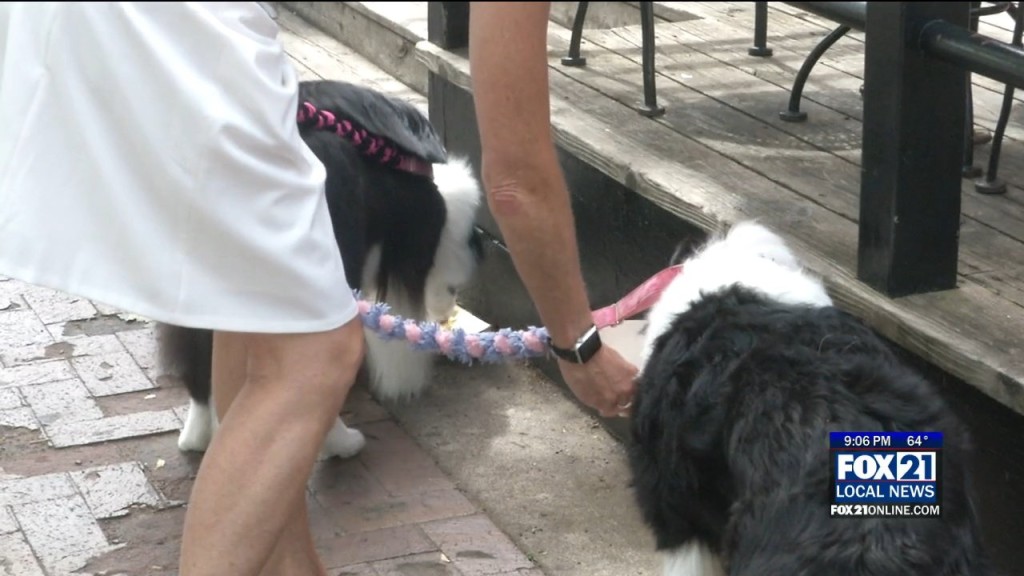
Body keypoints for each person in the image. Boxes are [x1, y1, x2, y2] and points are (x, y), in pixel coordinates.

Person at [0, 2, 636, 576]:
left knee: (256, 309)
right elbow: (517, 182)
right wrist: (576, 345)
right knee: (317, 354)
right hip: (167, 28)